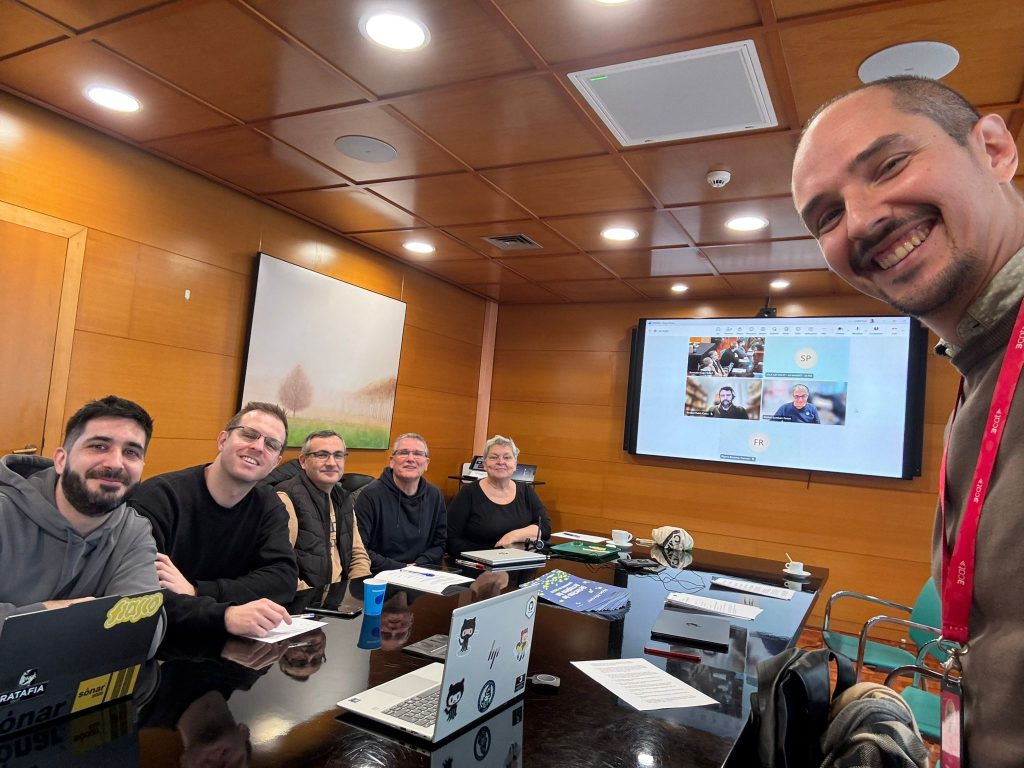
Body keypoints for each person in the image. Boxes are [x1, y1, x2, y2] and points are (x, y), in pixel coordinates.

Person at [791, 75, 1024, 767]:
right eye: (826, 215)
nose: (860, 220)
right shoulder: (986, 360)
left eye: (889, 165)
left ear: (994, 148)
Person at [129, 402, 298, 637]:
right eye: (249, 435)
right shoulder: (158, 497)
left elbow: (282, 580)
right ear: (222, 440)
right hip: (160, 645)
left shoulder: (269, 504)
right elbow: (140, 596)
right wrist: (225, 615)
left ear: (275, 463)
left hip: (232, 648)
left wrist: (197, 591)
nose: (258, 446)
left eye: (271, 444)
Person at [0, 395, 161, 625]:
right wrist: (48, 613)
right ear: (61, 460)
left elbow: (143, 630)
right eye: (99, 446)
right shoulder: (4, 512)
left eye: (131, 452)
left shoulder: (134, 531)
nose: (115, 463)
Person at [275, 430, 371, 589]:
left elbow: (358, 555)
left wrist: (357, 591)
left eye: (338, 455)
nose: (332, 462)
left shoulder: (344, 498)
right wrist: (315, 598)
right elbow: (277, 567)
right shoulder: (286, 498)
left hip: (340, 598)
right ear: (303, 461)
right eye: (322, 455)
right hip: (304, 601)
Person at [354, 433, 446, 574]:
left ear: (426, 463)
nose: (410, 459)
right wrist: (400, 569)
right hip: (381, 575)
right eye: (404, 453)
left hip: (422, 573)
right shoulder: (370, 496)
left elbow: (440, 543)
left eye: (418, 454)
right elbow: (359, 549)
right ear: (391, 461)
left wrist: (418, 566)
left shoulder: (435, 495)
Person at [446, 435, 551, 555]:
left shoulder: (526, 491)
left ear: (515, 464)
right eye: (494, 457)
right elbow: (450, 539)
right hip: (480, 565)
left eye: (507, 457)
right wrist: (494, 554)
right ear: (484, 464)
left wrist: (513, 536)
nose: (501, 462)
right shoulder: (468, 493)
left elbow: (545, 527)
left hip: (520, 563)